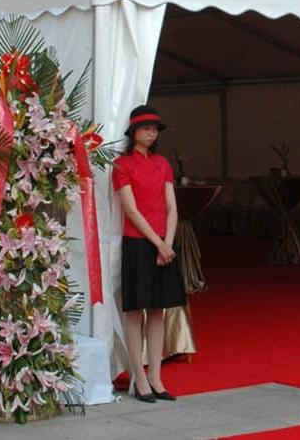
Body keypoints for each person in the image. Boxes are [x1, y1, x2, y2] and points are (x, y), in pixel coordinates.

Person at [111, 104, 186, 402]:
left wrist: (167, 242)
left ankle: (156, 377)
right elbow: (130, 209)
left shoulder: (163, 164)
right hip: (138, 243)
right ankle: (139, 378)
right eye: (146, 128)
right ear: (134, 133)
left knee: (158, 311)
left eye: (155, 129)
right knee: (135, 312)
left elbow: (172, 207)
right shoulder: (122, 164)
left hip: (164, 243)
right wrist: (158, 243)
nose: (151, 133)